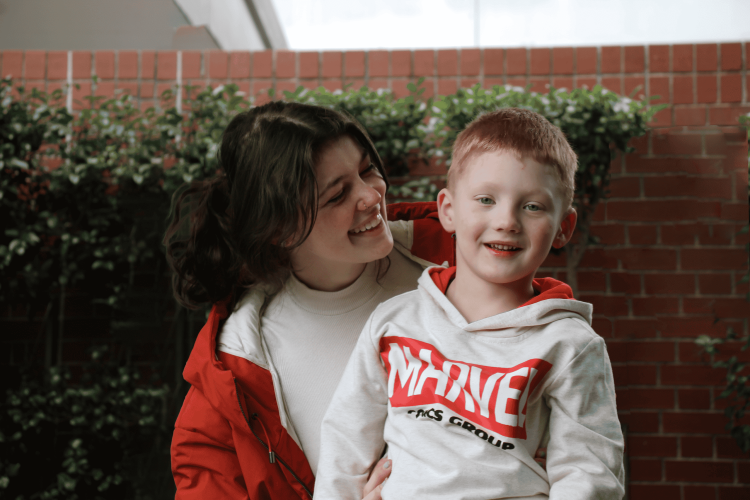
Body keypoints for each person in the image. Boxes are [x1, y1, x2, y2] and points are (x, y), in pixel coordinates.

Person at [314, 108, 626, 499]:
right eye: (485, 199)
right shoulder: (395, 322)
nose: (506, 221)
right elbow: (346, 437)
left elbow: (590, 473)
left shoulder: (570, 345)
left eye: (533, 206)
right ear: (448, 210)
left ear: (563, 227)